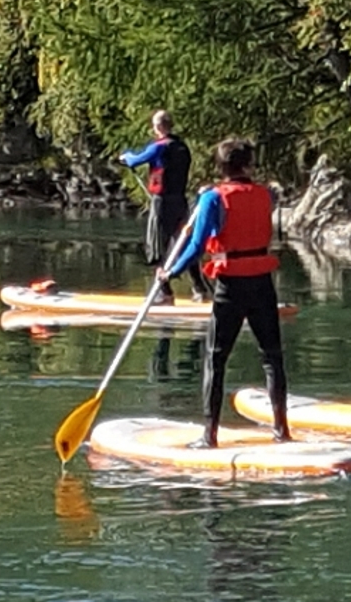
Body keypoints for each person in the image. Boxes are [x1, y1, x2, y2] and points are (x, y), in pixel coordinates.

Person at [162, 136, 290, 447]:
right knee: (272, 357)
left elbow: (196, 246)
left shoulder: (213, 199)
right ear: (248, 165)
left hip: (230, 286)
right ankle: (281, 431)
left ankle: (210, 436)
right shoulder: (265, 195)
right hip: (262, 283)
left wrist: (170, 272)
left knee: (215, 359)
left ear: (220, 167)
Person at [119, 110, 195, 303]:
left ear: (159, 127)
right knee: (183, 244)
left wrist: (125, 157)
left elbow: (135, 159)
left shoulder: (159, 147)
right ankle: (201, 290)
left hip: (162, 203)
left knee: (156, 247)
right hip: (180, 201)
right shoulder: (182, 147)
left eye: (154, 126)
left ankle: (165, 293)